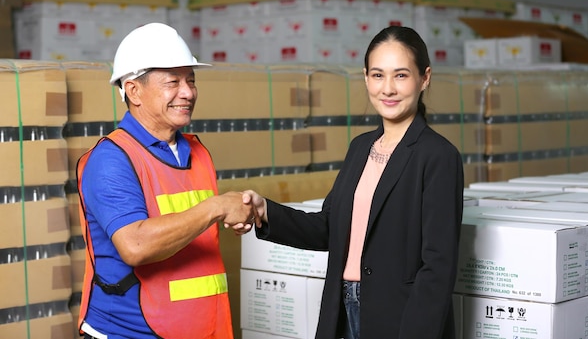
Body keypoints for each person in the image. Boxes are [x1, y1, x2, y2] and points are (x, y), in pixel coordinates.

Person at [245, 25, 464, 339]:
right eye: (377, 75)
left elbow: (438, 268)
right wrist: (265, 210)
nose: (387, 88)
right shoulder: (360, 148)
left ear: (424, 78)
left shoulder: (438, 156)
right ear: (365, 78)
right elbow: (329, 228)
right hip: (342, 309)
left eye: (400, 75)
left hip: (398, 318)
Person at [76, 23, 255, 339]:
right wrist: (215, 207)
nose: (187, 92)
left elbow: (192, 231)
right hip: (130, 332)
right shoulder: (111, 159)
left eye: (191, 81)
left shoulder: (196, 151)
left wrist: (233, 212)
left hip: (200, 328)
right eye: (173, 82)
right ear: (134, 91)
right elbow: (135, 245)